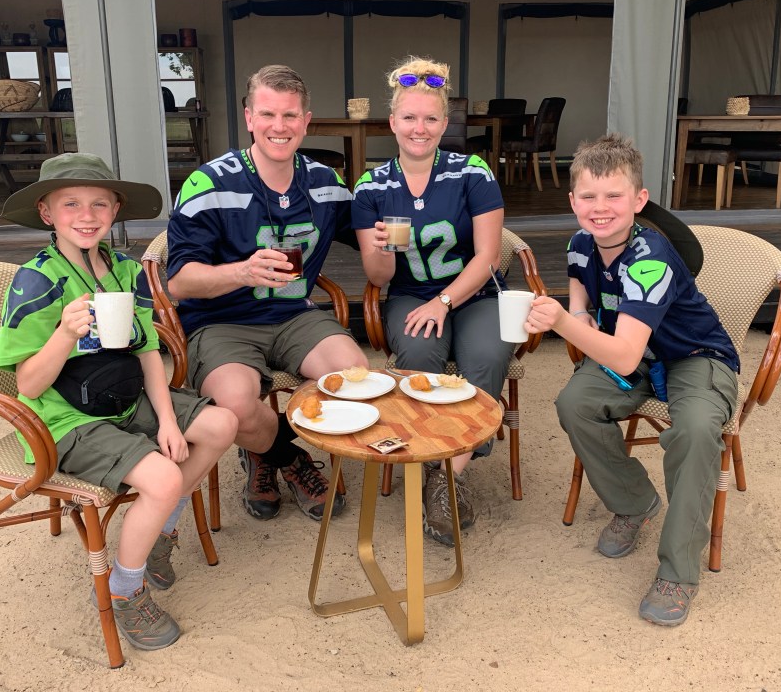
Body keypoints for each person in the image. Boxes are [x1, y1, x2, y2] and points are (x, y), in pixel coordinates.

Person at [0, 153, 238, 651]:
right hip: (62, 420)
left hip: (123, 399)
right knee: (165, 477)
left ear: (116, 209)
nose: (87, 215)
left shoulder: (126, 270)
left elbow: (146, 350)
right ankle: (123, 589)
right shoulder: (37, 280)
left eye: (99, 203)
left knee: (221, 424)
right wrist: (64, 334)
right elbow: (29, 386)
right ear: (46, 212)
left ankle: (159, 535)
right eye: (71, 204)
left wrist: (167, 420)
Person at [526, 134, 738, 627]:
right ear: (573, 201)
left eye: (614, 195)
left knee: (695, 430)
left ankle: (678, 573)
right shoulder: (580, 245)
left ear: (639, 200)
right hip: (637, 357)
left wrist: (562, 324)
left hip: (694, 356)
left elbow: (621, 357)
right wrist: (578, 317)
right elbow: (582, 302)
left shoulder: (650, 258)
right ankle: (635, 501)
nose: (600, 208)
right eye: (589, 196)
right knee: (575, 402)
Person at [166, 64, 367, 522]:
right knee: (236, 406)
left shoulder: (325, 182)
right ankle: (285, 456)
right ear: (249, 117)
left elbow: (364, 234)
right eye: (268, 114)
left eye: (290, 115)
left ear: (306, 121)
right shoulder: (209, 183)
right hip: (221, 321)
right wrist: (241, 271)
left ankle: (261, 445)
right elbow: (178, 281)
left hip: (295, 314)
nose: (280, 126)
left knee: (355, 378)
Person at [351, 56, 512, 547]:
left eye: (429, 118)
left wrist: (444, 301)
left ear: (444, 124)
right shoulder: (371, 187)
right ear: (392, 122)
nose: (418, 128)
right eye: (409, 117)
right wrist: (380, 250)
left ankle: (447, 478)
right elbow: (378, 278)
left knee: (486, 356)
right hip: (409, 294)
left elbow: (488, 256)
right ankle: (429, 454)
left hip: (474, 292)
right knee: (420, 355)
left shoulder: (472, 172)